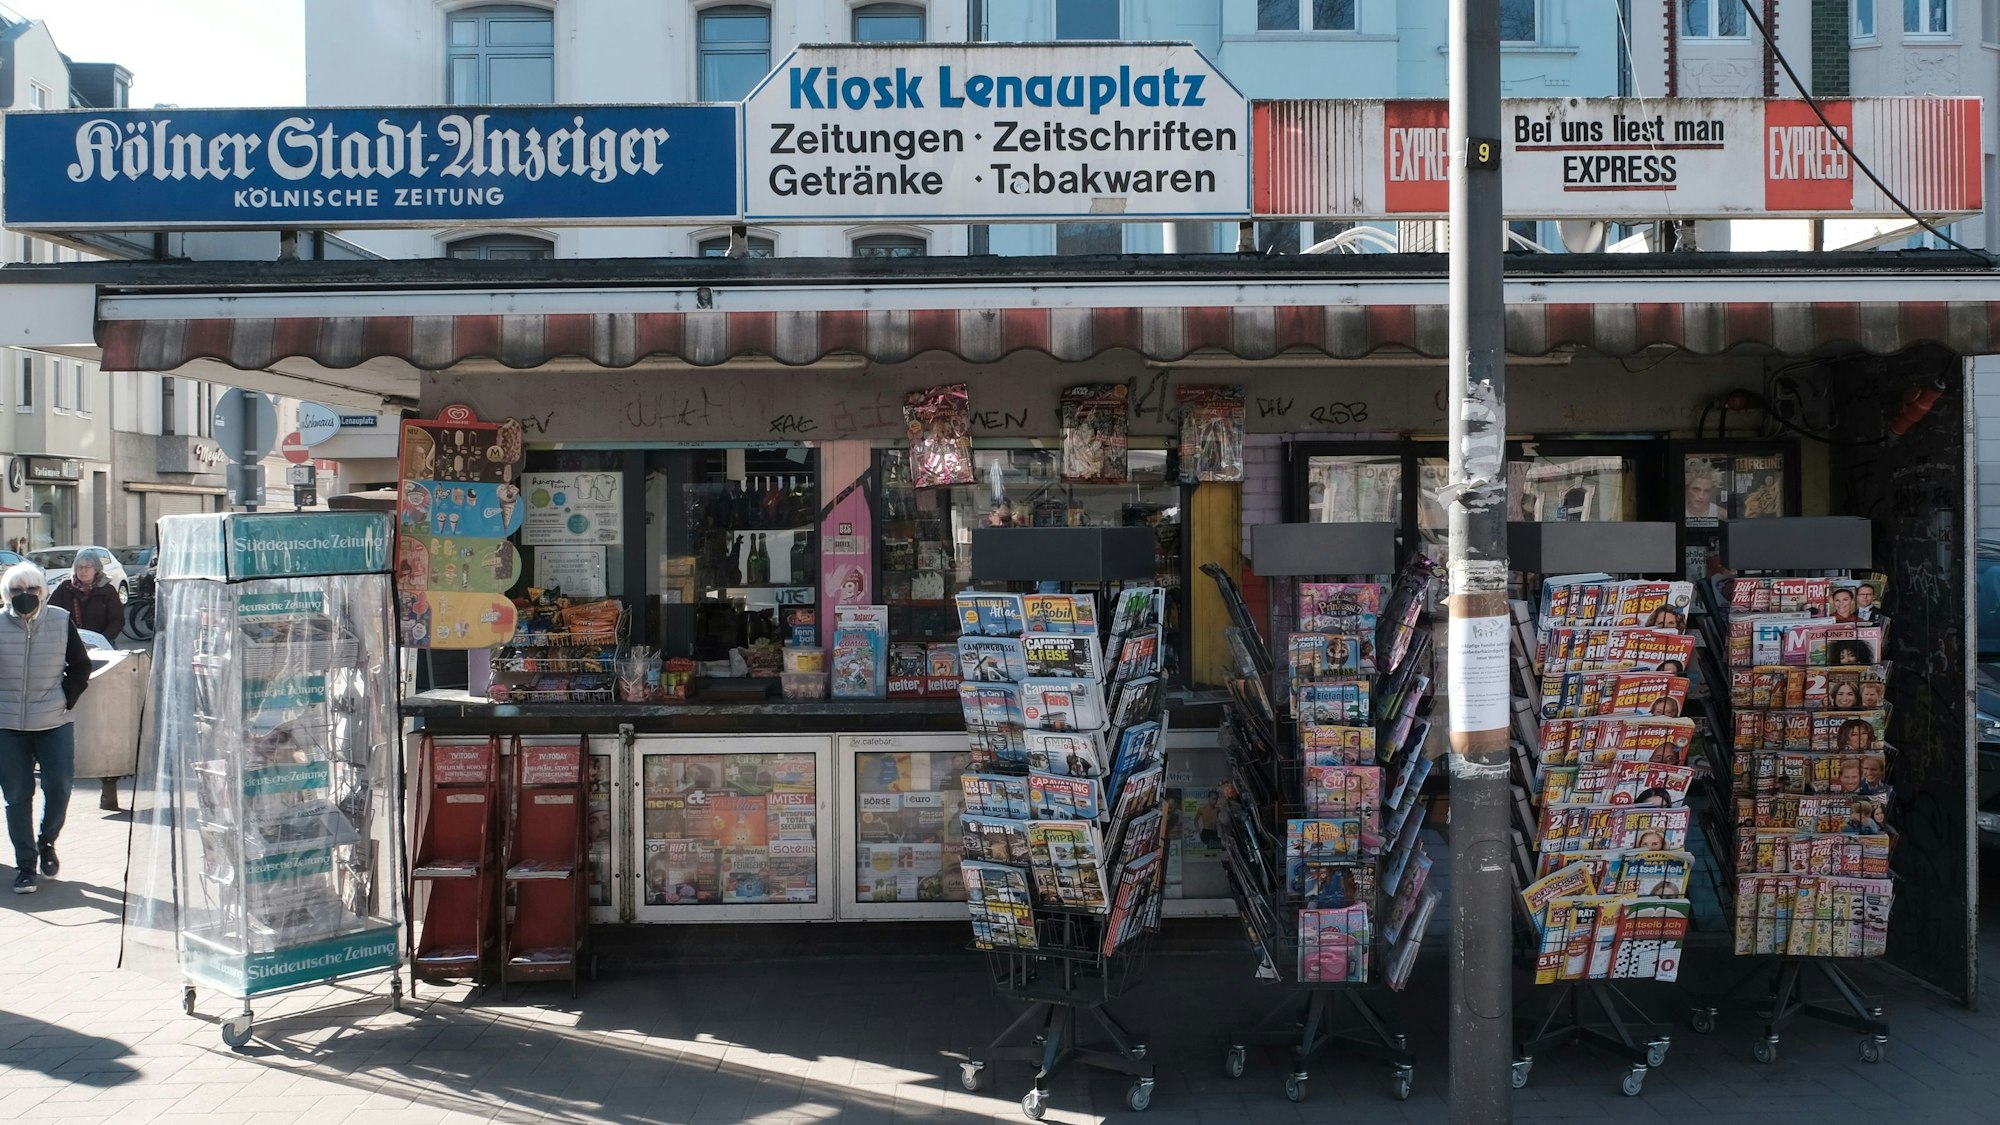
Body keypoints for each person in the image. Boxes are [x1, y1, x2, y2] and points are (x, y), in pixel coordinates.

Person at [0, 563, 93, 894]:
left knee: (60, 786)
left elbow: (80, 665)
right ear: (6, 594)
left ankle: (47, 842)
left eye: (32, 589)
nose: (25, 596)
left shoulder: (59, 620)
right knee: (16, 796)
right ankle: (25, 866)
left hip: (53, 721)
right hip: (7, 726)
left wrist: (66, 698)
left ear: (43, 591)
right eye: (16, 591)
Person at [50, 548, 121, 645]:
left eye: (87, 567)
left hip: (101, 641)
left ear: (96, 569)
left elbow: (117, 619)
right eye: (80, 567)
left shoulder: (107, 590)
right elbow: (51, 612)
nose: (83, 571)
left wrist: (103, 639)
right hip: (69, 641)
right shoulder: (65, 587)